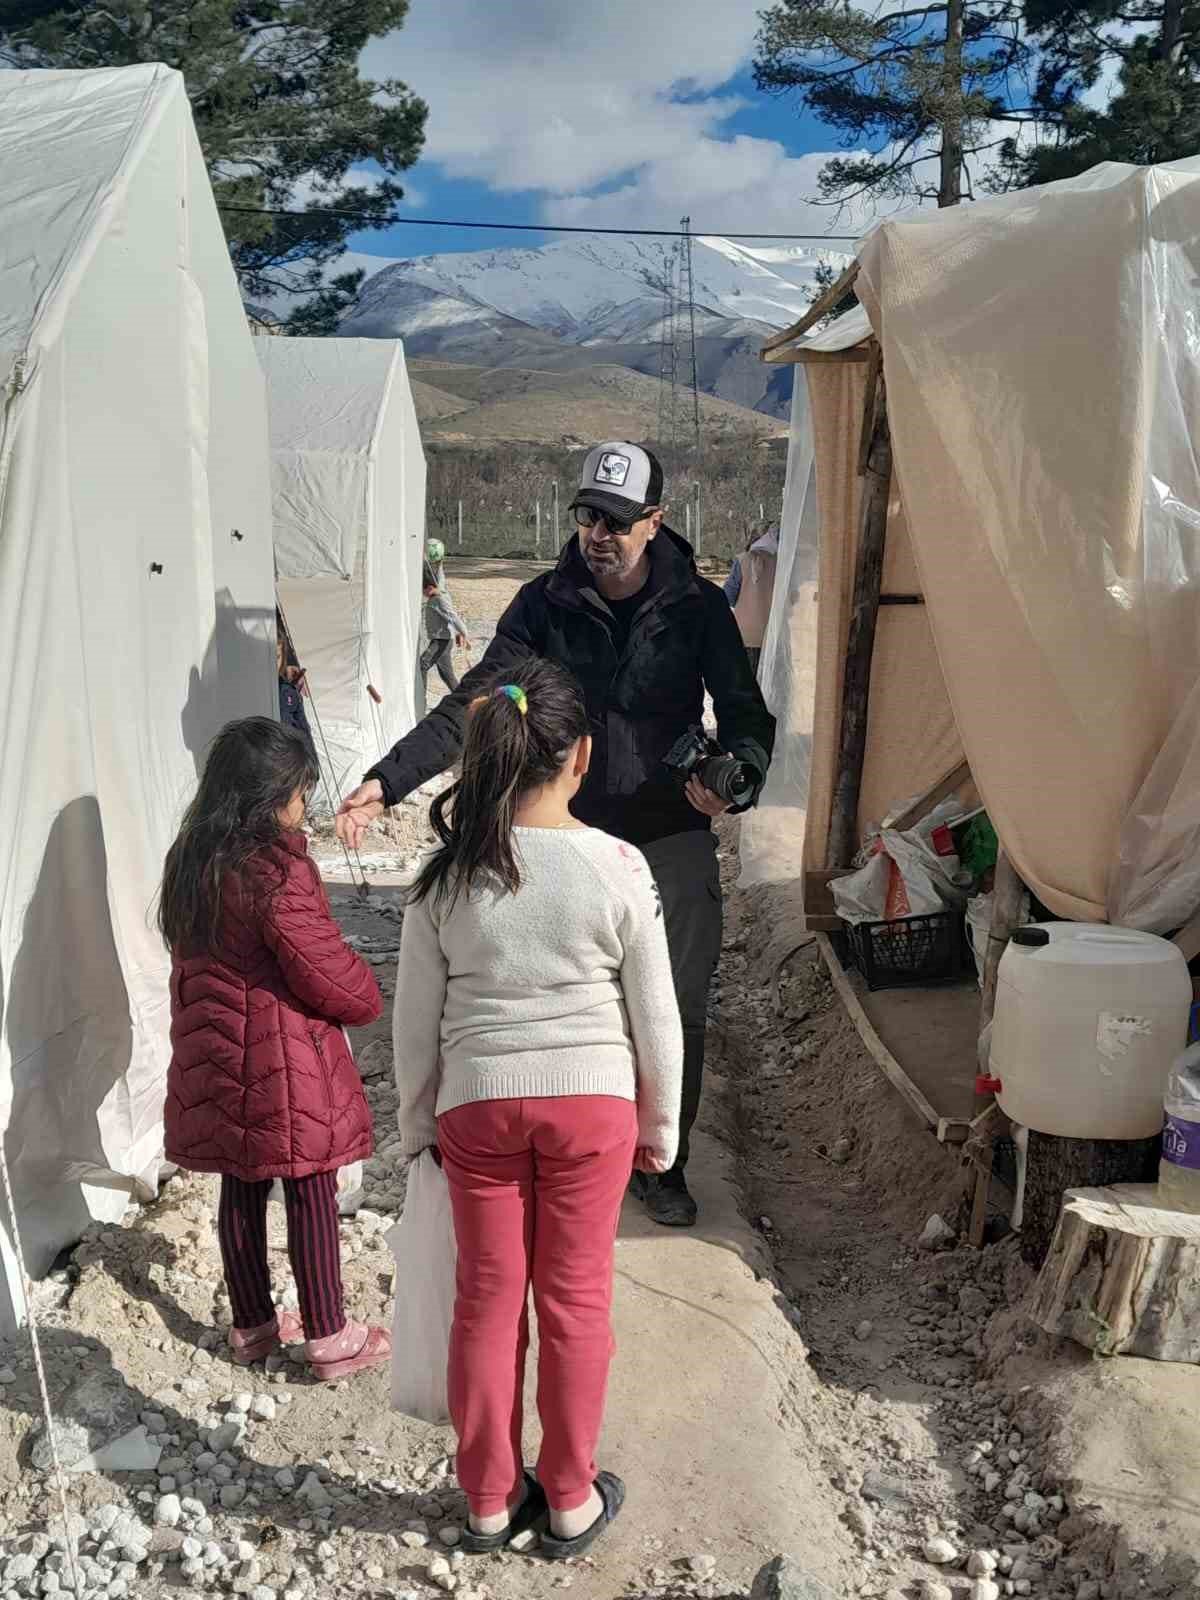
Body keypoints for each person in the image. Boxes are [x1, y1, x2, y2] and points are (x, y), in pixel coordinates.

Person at [339, 441, 774, 1228]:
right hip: (563, 838)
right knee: (566, 1001)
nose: (595, 534)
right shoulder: (544, 603)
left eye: (613, 519)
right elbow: (475, 701)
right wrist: (390, 777)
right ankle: (568, 1142)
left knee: (676, 1002)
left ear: (654, 522)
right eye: (585, 516)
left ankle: (663, 1162)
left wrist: (734, 774)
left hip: (669, 834)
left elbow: (746, 713)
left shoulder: (698, 607)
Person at [393, 657, 682, 1558]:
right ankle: (567, 1496)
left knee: (486, 1302)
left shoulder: (444, 880)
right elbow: (656, 1015)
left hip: (478, 1106)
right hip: (594, 1107)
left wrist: (414, 1128)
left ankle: (485, 1499)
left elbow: (414, 1026)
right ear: (582, 757)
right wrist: (662, 1124)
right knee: (575, 1303)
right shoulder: (619, 866)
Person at [158, 717, 391, 1382]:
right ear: (266, 801)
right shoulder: (276, 872)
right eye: (298, 794)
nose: (303, 807)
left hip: (217, 1053)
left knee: (242, 1183)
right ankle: (329, 1338)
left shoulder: (191, 858)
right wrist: (366, 997)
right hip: (281, 1060)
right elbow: (322, 969)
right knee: (312, 1184)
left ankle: (253, 1328)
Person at [729, 523, 779, 679]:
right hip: (773, 635)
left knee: (746, 685)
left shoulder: (741, 560)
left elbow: (728, 596)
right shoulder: (780, 562)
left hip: (744, 636)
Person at [420, 558, 471, 696]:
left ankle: (420, 697)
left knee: (423, 664)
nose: (423, 594)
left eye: (423, 591)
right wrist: (439, 565)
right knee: (447, 676)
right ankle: (462, 699)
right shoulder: (439, 589)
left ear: (430, 588)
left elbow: (452, 616)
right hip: (442, 640)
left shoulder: (439, 599)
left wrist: (464, 634)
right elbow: (440, 579)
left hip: (441, 641)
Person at [275, 615, 315, 759]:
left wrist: (313, 767)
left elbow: (304, 731)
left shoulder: (288, 692)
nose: (274, 663)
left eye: (277, 657)